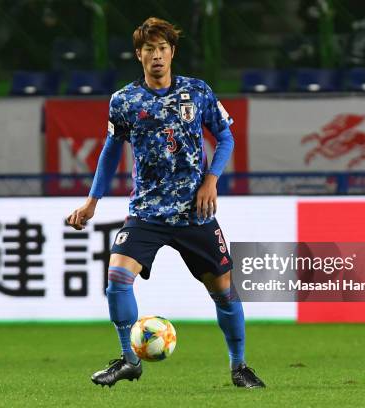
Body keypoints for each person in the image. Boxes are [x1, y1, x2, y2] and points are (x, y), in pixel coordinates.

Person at [66, 17, 265, 389]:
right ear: (138, 54)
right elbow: (110, 152)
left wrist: (211, 181)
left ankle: (239, 367)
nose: (156, 56)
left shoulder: (197, 91)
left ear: (172, 52)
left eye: (162, 49)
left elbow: (225, 136)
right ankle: (129, 360)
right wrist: (92, 202)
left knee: (223, 289)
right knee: (117, 279)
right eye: (149, 50)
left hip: (195, 212)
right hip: (146, 211)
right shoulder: (124, 101)